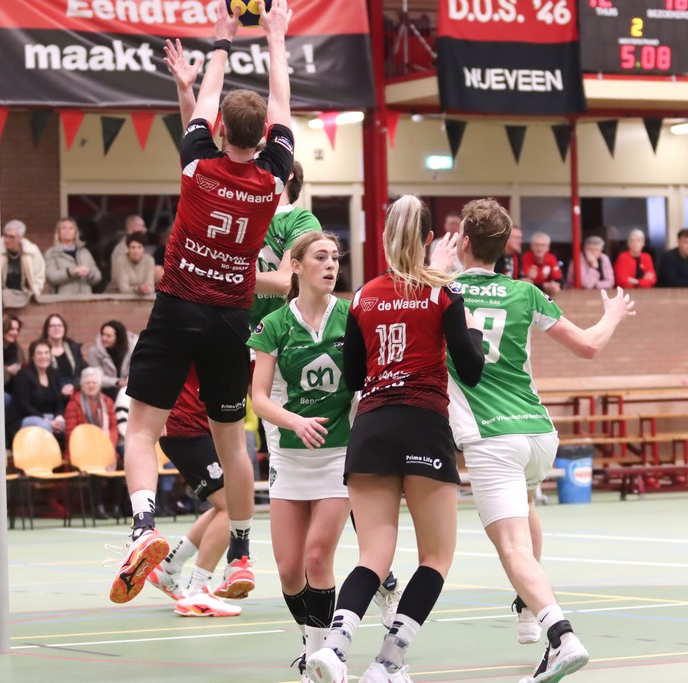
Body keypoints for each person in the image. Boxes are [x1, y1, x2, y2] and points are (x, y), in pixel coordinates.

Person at [110, 0, 294, 606]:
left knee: (142, 430)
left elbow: (207, 100)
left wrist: (220, 41)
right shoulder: (273, 178)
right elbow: (281, 101)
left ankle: (143, 528)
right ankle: (240, 552)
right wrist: (275, 38)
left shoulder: (196, 165)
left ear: (217, 132)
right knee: (232, 443)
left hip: (177, 305)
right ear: (263, 138)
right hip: (229, 318)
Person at [436, 197, 635, 683]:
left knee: (512, 547)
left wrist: (436, 269)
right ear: (505, 248)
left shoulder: (442, 291)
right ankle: (528, 609)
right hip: (539, 433)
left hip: (491, 437)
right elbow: (588, 345)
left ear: (463, 241)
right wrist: (612, 313)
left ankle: (561, 637)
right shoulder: (525, 293)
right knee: (526, 509)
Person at [305, 195, 485, 683]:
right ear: (429, 239)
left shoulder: (363, 296)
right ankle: (388, 661)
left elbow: (353, 378)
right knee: (436, 558)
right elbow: (471, 371)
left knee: (372, 556)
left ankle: (334, 649)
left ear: (384, 238)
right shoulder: (443, 293)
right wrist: (469, 325)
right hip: (423, 425)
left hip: (372, 429)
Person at [248, 231, 357, 676]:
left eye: (335, 258)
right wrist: (294, 421)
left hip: (338, 455)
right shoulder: (275, 324)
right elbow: (259, 398)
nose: (331, 265)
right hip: (290, 456)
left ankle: (318, 659)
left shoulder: (351, 317)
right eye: (320, 257)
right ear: (295, 266)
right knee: (290, 570)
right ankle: (312, 640)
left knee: (317, 556)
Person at [145, 367, 242, 618]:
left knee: (224, 506)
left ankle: (168, 568)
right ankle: (197, 591)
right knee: (232, 507)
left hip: (198, 427)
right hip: (185, 429)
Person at [245, 160, 322, 329]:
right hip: (241, 326)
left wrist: (225, 279)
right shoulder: (240, 215)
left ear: (287, 174)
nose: (252, 171)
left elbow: (284, 282)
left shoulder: (301, 219)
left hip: (287, 329)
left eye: (260, 164)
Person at [65, 367, 120, 520]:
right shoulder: (74, 404)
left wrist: (108, 445)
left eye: (94, 383)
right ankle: (98, 508)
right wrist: (91, 448)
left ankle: (116, 507)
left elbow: (113, 427)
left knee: (120, 467)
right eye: (87, 383)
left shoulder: (107, 402)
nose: (91, 385)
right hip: (82, 451)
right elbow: (71, 433)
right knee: (95, 469)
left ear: (99, 385)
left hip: (105, 448)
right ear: (82, 385)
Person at [0, 219, 46, 306]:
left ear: (20, 238)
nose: (7, 240)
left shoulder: (32, 252)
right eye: (5, 236)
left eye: (11, 237)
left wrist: (35, 291)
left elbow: (39, 275)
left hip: (25, 297)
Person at [12, 340, 66, 435]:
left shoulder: (53, 373)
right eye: (39, 353)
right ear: (33, 356)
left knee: (63, 424)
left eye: (46, 353)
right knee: (44, 426)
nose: (43, 356)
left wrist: (59, 416)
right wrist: (46, 420)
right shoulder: (23, 375)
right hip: (28, 417)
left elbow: (59, 401)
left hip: (49, 417)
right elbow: (24, 406)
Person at [45, 217, 102, 295]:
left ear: (75, 232)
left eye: (71, 228)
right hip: (63, 299)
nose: (67, 231)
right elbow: (51, 277)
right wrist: (72, 271)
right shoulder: (52, 253)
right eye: (64, 228)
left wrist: (89, 273)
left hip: (85, 299)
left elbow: (98, 277)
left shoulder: (84, 252)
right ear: (58, 233)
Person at [87, 320, 137, 400]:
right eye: (103, 334)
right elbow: (97, 376)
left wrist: (127, 382)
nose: (104, 338)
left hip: (129, 386)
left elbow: (136, 370)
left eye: (108, 336)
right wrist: (117, 382)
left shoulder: (133, 349)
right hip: (107, 388)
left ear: (118, 337)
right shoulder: (94, 352)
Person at [40, 314, 86, 394]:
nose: (57, 328)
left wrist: (74, 386)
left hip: (74, 389)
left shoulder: (73, 348)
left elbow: (83, 370)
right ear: (47, 329)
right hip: (50, 391)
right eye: (53, 326)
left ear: (64, 329)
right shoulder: (40, 349)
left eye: (60, 325)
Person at [522, 231, 562, 296]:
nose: (539, 248)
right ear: (531, 246)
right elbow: (524, 283)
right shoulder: (526, 258)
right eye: (537, 245)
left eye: (543, 245)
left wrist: (554, 285)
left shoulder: (551, 258)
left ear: (548, 248)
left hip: (547, 295)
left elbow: (558, 280)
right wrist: (544, 285)